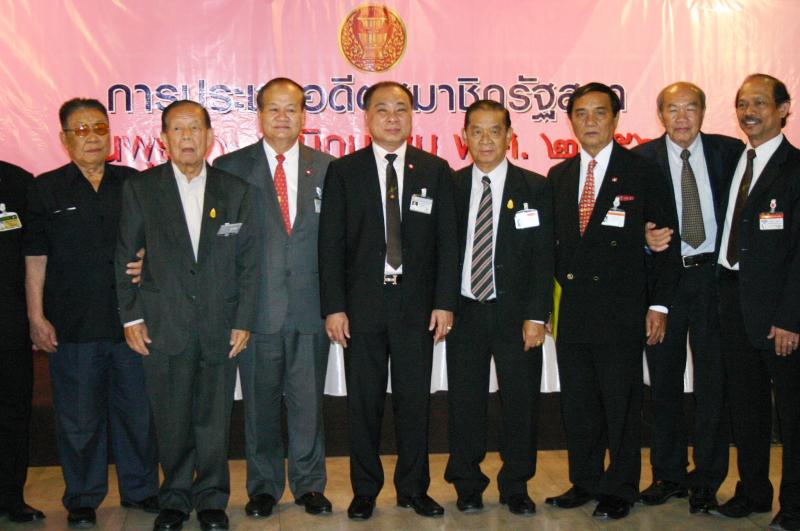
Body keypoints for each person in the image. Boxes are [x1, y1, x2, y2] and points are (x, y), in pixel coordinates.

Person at [115, 100, 261, 531]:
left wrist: (244, 319)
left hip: (221, 325)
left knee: (214, 420)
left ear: (210, 136)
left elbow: (249, 264)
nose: (187, 138)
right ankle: (175, 499)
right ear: (163, 139)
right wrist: (131, 318)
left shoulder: (235, 191)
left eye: (195, 129)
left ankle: (212, 499)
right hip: (164, 325)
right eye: (177, 130)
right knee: (172, 418)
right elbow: (125, 257)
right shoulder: (142, 189)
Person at [318, 81, 458, 520]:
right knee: (364, 403)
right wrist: (334, 307)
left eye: (401, 109)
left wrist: (444, 302)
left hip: (417, 308)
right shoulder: (344, 172)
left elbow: (448, 244)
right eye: (382, 109)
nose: (392, 117)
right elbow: (330, 246)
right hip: (361, 307)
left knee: (415, 403)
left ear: (412, 116)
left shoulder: (435, 170)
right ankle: (365, 490)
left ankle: (413, 488)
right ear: (367, 118)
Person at [543, 83, 679, 520]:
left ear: (616, 119)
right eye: (581, 113)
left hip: (622, 309)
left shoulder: (641, 171)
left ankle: (620, 487)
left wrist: (659, 305)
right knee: (579, 404)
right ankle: (585, 480)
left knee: (620, 403)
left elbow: (666, 242)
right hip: (573, 310)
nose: (590, 122)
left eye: (599, 113)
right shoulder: (559, 176)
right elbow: (552, 249)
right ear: (571, 121)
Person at [23, 98, 158, 529]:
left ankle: (141, 490)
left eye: (99, 128)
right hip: (74, 325)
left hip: (132, 323)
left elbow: (161, 239)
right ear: (64, 139)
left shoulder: (134, 182)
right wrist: (36, 317)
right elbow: (35, 258)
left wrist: (149, 257)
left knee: (138, 414)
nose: (92, 137)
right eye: (81, 130)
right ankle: (82, 497)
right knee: (79, 421)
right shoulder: (45, 189)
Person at [214, 77, 335, 518]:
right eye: (274, 109)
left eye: (292, 109)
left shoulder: (328, 168)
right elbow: (219, 245)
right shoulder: (229, 168)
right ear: (260, 115)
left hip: (311, 308)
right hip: (255, 311)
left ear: (304, 115)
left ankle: (309, 485)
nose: (283, 117)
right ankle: (263, 487)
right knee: (260, 406)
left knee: (308, 405)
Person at [633, 82, 742, 514]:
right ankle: (668, 474)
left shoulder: (730, 153)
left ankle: (708, 478)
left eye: (690, 108)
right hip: (665, 285)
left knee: (714, 383)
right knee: (664, 382)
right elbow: (622, 218)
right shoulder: (640, 160)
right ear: (660, 114)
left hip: (715, 280)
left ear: (703, 111)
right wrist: (642, 237)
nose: (681, 117)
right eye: (672, 109)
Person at [443, 99, 553, 516]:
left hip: (517, 315)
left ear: (510, 136)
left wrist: (537, 315)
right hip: (465, 312)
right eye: (477, 131)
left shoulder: (535, 187)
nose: (486, 139)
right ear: (464, 137)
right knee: (465, 403)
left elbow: (544, 259)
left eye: (495, 131)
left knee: (521, 403)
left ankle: (516, 484)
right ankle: (468, 483)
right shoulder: (450, 187)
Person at [714, 74, 800, 531]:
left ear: (784, 109)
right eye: (743, 103)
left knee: (792, 414)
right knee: (746, 406)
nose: (749, 112)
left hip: (780, 314)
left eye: (760, 103)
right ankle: (752, 492)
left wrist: (791, 317)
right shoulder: (733, 161)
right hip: (732, 299)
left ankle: (796, 506)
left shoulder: (795, 168)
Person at [0, 161, 45, 524]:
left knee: (13, 411)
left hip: (10, 321)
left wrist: (36, 315)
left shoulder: (18, 182)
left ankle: (11, 496)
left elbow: (38, 251)